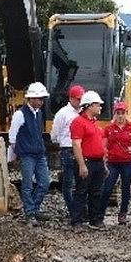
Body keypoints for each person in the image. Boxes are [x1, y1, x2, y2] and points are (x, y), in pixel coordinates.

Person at [9, 82, 51, 224]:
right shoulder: (20, 114)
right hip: (27, 154)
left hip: (39, 153)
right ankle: (30, 213)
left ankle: (32, 209)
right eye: (39, 98)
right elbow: (13, 137)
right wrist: (14, 155)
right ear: (31, 99)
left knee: (44, 183)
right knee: (27, 185)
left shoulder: (38, 114)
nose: (41, 101)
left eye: (42, 99)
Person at [69, 91, 108, 230]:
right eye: (98, 105)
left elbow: (99, 145)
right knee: (81, 191)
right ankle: (76, 221)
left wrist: (103, 164)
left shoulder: (93, 123)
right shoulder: (78, 122)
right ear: (90, 106)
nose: (100, 108)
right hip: (87, 161)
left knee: (96, 192)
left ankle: (95, 219)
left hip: (97, 162)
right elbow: (76, 144)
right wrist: (82, 165)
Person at [101, 101, 131, 225]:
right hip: (113, 162)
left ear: (125, 114)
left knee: (125, 188)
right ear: (115, 114)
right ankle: (100, 213)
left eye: (122, 113)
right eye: (118, 113)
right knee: (107, 187)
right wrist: (104, 158)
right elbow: (104, 145)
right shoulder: (109, 128)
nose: (120, 116)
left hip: (127, 162)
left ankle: (123, 214)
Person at [50, 84, 85, 215]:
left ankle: (78, 209)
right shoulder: (62, 114)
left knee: (81, 182)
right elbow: (54, 134)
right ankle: (73, 209)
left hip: (80, 149)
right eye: (78, 99)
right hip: (68, 149)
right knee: (69, 182)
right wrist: (62, 143)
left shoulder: (82, 113)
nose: (80, 102)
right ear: (71, 98)